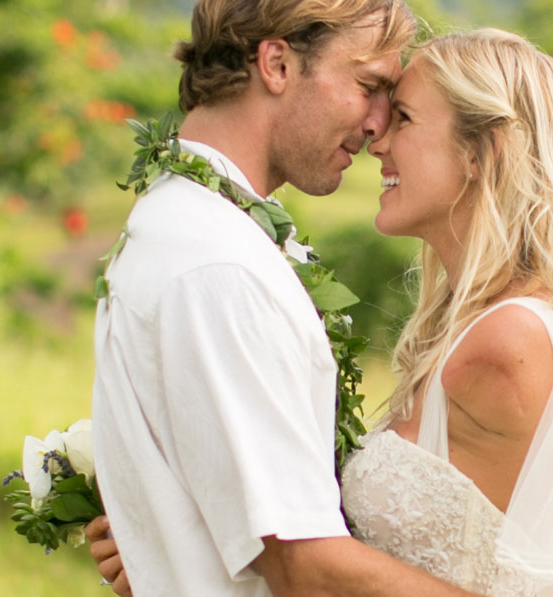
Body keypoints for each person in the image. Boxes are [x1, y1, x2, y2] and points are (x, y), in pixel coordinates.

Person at [95, 26, 553, 596]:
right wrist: (182, 547)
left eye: (404, 118)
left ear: (483, 151)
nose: (377, 138)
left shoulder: (510, 343)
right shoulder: (472, 326)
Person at [88, 0, 477, 595]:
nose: (378, 124)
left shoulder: (189, 226)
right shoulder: (220, 267)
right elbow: (305, 568)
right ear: (276, 64)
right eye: (368, 84)